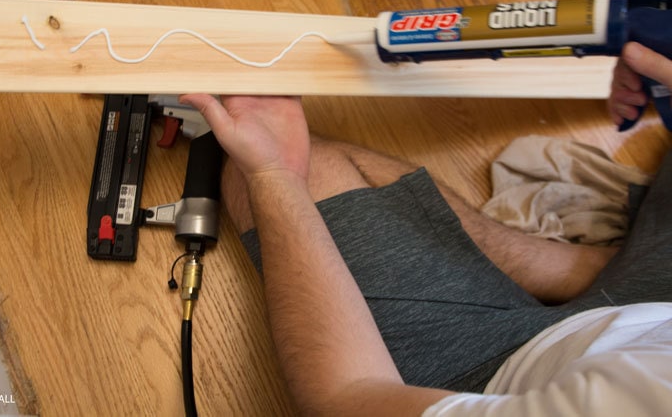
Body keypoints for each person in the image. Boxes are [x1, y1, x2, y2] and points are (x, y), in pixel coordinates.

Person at [180, 41, 672, 416]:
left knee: (271, 164)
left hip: (491, 378)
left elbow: (347, 394)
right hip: (656, 310)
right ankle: (579, 268)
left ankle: (590, 272)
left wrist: (275, 174)